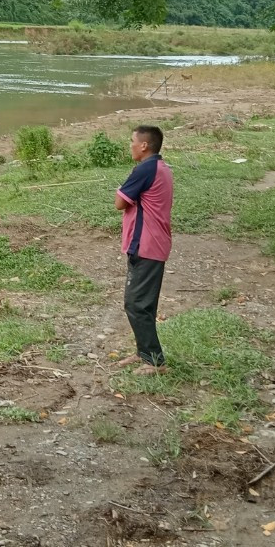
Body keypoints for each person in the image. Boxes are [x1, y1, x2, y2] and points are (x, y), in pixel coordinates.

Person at [114, 125, 174, 376]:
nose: (130, 146)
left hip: (146, 245)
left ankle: (155, 361)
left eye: (132, 141)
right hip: (154, 243)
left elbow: (119, 202)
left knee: (136, 304)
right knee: (143, 303)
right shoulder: (161, 167)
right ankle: (143, 352)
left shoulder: (145, 169)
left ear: (144, 146)